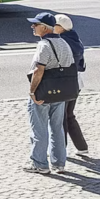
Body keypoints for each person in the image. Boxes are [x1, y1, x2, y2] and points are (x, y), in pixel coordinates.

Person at [25, 12, 76, 174]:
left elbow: (38, 70)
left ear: (45, 28)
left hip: (44, 92)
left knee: (39, 129)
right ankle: (59, 163)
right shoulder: (64, 43)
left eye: (36, 24)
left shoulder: (44, 45)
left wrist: (32, 92)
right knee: (57, 129)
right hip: (60, 93)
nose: (33, 26)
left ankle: (40, 164)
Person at [54, 14, 88, 156]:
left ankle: (61, 150)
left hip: (66, 83)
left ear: (61, 28)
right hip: (76, 83)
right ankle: (82, 147)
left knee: (61, 116)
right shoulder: (74, 39)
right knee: (69, 115)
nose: (51, 27)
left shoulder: (63, 42)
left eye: (54, 25)